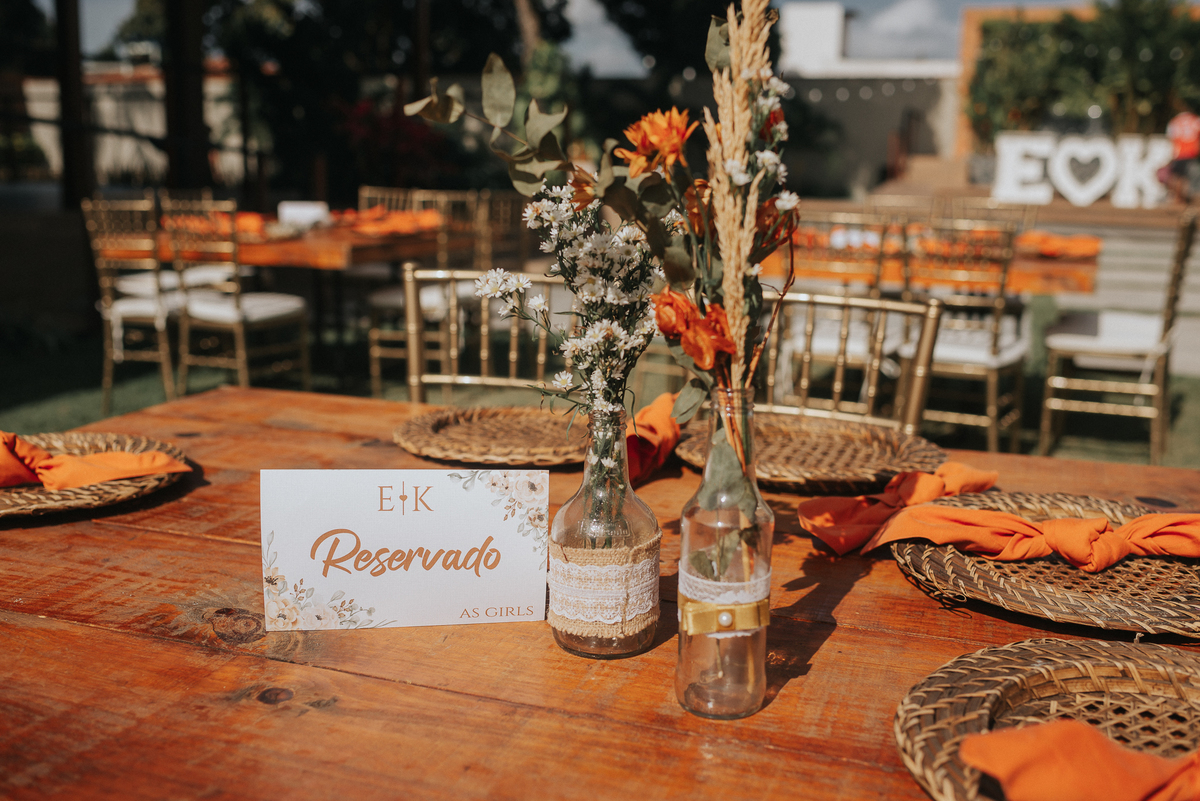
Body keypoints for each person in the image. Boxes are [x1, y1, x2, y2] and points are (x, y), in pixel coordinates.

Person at [1164, 101, 1200, 202]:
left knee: (1177, 176)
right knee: (1187, 178)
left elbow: (1170, 137)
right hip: (1192, 153)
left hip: (1178, 153)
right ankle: (1180, 199)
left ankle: (1177, 198)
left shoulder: (1174, 121)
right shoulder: (1195, 119)